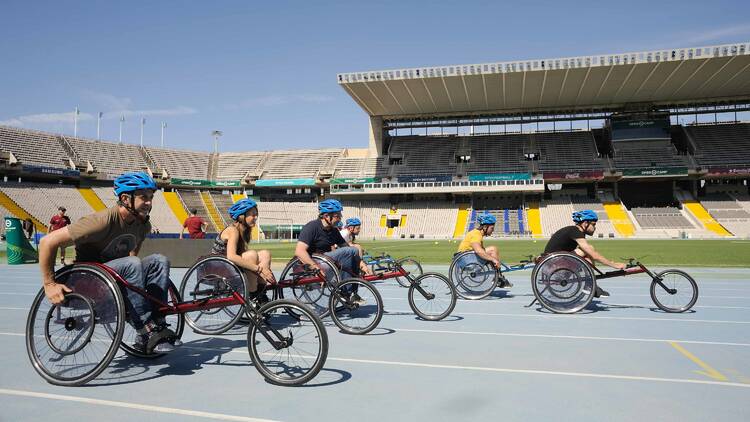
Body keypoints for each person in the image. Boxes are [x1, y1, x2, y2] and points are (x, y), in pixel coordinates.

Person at [38, 171, 181, 353]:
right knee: (132, 263)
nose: (149, 203)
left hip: (113, 277)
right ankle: (145, 329)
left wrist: (137, 281)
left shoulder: (143, 224)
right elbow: (47, 242)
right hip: (86, 280)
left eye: (151, 197)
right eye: (144, 197)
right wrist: (49, 284)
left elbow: (133, 251)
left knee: (159, 260)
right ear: (125, 198)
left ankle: (158, 321)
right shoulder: (101, 221)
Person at [294, 199, 372, 303]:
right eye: (337, 216)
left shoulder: (333, 231)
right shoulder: (312, 227)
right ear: (326, 216)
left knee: (353, 252)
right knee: (350, 251)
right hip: (309, 264)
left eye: (340, 216)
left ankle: (353, 293)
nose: (340, 219)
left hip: (326, 261)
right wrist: (315, 268)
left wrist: (362, 264)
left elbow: (345, 246)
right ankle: (346, 293)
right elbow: (299, 251)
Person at [542, 210, 626, 298]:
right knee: (588, 250)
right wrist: (614, 265)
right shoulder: (575, 232)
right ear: (585, 223)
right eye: (593, 224)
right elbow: (594, 254)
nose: (595, 227)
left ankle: (590, 285)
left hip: (553, 262)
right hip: (553, 264)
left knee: (587, 256)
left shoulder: (574, 231)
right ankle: (589, 285)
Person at [212, 198, 275, 303]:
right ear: (242, 216)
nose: (256, 218)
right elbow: (231, 256)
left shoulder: (243, 231)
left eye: (256, 215)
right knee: (251, 255)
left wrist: (264, 271)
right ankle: (252, 296)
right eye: (253, 215)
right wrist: (259, 269)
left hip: (231, 267)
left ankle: (261, 292)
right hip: (221, 268)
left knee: (265, 254)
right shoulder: (233, 230)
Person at [456, 213, 512, 288]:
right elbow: (478, 251)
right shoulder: (476, 235)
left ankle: (499, 276)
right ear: (485, 227)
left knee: (491, 252)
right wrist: (494, 260)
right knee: (493, 250)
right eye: (492, 228)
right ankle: (498, 277)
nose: (493, 230)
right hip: (466, 260)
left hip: (466, 258)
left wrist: (492, 259)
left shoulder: (476, 233)